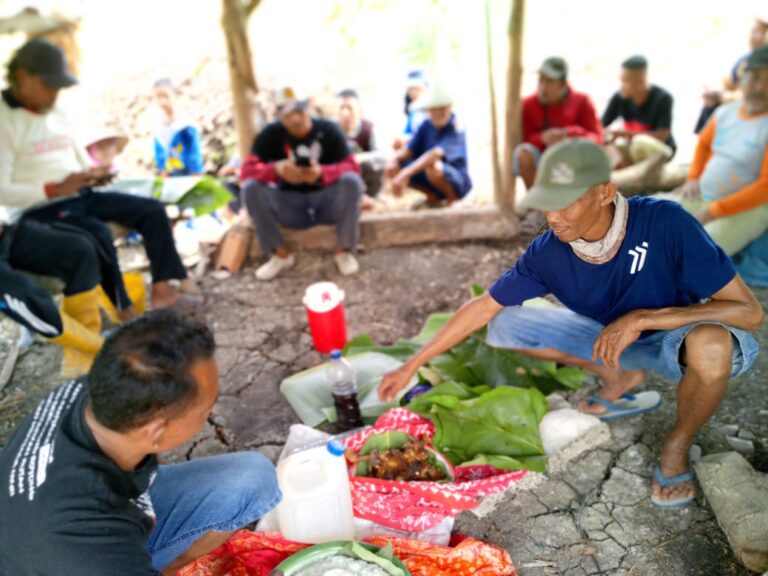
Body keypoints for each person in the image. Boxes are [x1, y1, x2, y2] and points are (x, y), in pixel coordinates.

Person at [379, 139, 763, 509]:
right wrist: (410, 365)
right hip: (608, 340)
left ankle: (677, 444)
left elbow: (749, 312)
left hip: (672, 344)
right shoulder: (548, 252)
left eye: (564, 203)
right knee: (505, 324)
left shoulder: (665, 223)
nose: (552, 217)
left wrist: (646, 317)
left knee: (712, 347)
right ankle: (619, 378)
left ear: (604, 192)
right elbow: (484, 306)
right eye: (546, 204)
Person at [0, 310, 281, 576]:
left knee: (250, 475)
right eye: (206, 410)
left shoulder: (102, 390)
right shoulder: (92, 547)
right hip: (65, 557)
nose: (211, 415)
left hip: (44, 523)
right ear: (155, 432)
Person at [0, 39, 201, 324]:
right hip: (37, 210)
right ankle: (125, 312)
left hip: (79, 195)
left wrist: (92, 174)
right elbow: (3, 192)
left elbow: (77, 159)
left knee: (152, 210)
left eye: (59, 87)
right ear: (22, 77)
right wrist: (54, 188)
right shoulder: (4, 119)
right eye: (49, 86)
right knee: (97, 233)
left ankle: (163, 291)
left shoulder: (56, 111)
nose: (55, 95)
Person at [241, 86, 364, 280]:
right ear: (281, 115)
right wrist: (276, 170)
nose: (296, 119)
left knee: (351, 182)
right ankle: (280, 255)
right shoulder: (270, 134)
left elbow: (352, 167)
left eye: (300, 111)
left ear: (309, 107)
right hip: (289, 204)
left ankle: (344, 250)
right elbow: (246, 171)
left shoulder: (329, 129)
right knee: (250, 188)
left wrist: (322, 173)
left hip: (326, 202)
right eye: (289, 114)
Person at [663, 45, 768, 257]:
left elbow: (764, 188)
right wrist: (692, 178)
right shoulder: (725, 112)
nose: (760, 87)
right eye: (755, 78)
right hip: (702, 195)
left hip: (747, 208)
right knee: (653, 216)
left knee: (696, 252)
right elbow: (703, 144)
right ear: (741, 80)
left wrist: (713, 211)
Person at [514, 57, 603, 190]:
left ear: (563, 84)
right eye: (541, 80)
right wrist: (543, 138)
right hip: (542, 160)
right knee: (523, 153)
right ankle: (537, 205)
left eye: (549, 81)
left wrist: (570, 135)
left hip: (574, 162)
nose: (543, 86)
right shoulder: (528, 104)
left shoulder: (582, 101)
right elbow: (525, 138)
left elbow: (597, 138)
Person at [385, 83, 471, 207]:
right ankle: (433, 196)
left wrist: (405, 173)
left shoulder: (456, 127)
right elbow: (409, 150)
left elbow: (435, 154)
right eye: (438, 108)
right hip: (430, 177)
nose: (442, 112)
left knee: (433, 166)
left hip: (455, 178)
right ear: (430, 110)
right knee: (397, 164)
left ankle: (453, 198)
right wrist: (393, 159)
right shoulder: (426, 125)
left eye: (445, 107)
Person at [695, 13, 768, 133]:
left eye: (760, 31)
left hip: (755, 114)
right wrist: (715, 92)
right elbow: (729, 80)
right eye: (752, 31)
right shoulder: (745, 59)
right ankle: (706, 142)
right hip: (735, 107)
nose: (753, 36)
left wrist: (722, 97)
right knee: (711, 106)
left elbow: (754, 96)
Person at [602, 56, 675, 169]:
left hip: (659, 151)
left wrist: (625, 133)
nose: (621, 85)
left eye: (626, 81)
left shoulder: (663, 98)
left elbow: (663, 135)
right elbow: (598, 127)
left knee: (639, 144)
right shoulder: (619, 98)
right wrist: (610, 146)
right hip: (632, 149)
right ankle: (630, 171)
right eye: (621, 80)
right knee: (607, 147)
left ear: (642, 80)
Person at [336, 88, 385, 202]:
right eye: (341, 108)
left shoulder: (369, 128)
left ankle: (370, 197)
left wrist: (360, 158)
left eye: (349, 108)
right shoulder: (331, 130)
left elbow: (383, 155)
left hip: (367, 178)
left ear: (360, 109)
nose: (345, 113)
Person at [153, 78, 204, 176]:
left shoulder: (186, 125)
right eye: (158, 97)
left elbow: (195, 154)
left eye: (166, 96)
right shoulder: (158, 128)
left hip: (188, 175)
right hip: (170, 176)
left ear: (174, 95)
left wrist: (197, 176)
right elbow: (159, 155)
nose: (162, 101)